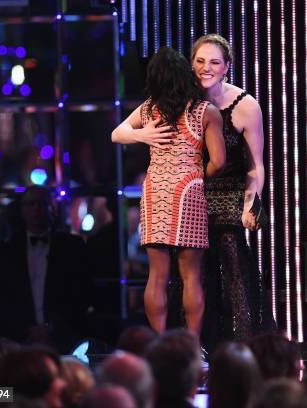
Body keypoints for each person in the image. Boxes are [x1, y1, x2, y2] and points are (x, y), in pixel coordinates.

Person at [112, 47, 226, 337]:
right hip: (188, 190)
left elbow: (116, 133)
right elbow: (220, 161)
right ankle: (191, 344)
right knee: (191, 277)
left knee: (157, 276)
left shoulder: (150, 109)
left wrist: (140, 135)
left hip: (155, 190)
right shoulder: (205, 111)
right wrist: (199, 175)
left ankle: (160, 342)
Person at [190, 33, 276, 345]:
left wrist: (249, 205)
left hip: (229, 197)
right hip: (193, 197)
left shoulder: (245, 105)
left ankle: (245, 345)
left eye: (214, 62)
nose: (205, 68)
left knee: (234, 267)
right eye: (200, 61)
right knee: (193, 277)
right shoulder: (184, 103)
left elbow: (256, 166)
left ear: (227, 66)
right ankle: (198, 347)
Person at [0, 186, 91, 351]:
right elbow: (4, 296)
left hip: (65, 338)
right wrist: (26, 330)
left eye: (42, 203)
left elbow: (81, 292)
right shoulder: (7, 250)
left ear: (52, 208)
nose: (36, 209)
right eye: (30, 204)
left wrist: (52, 327)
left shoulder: (72, 246)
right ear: (22, 210)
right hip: (20, 340)